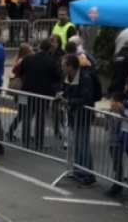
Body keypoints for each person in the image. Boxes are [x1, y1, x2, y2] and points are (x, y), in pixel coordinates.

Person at [11, 39, 61, 148]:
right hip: (43, 94)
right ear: (49, 49)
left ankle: (25, 141)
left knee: (27, 116)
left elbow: (21, 73)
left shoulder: (28, 59)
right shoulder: (51, 61)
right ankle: (39, 142)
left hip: (27, 91)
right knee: (40, 118)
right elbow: (57, 77)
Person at [60, 54, 97, 187]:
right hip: (73, 115)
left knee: (83, 145)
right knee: (76, 145)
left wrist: (68, 101)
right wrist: (61, 96)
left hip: (83, 116)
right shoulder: (67, 78)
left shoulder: (85, 79)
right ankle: (79, 171)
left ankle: (89, 175)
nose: (62, 67)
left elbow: (86, 99)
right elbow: (64, 91)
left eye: (64, 65)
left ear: (70, 66)